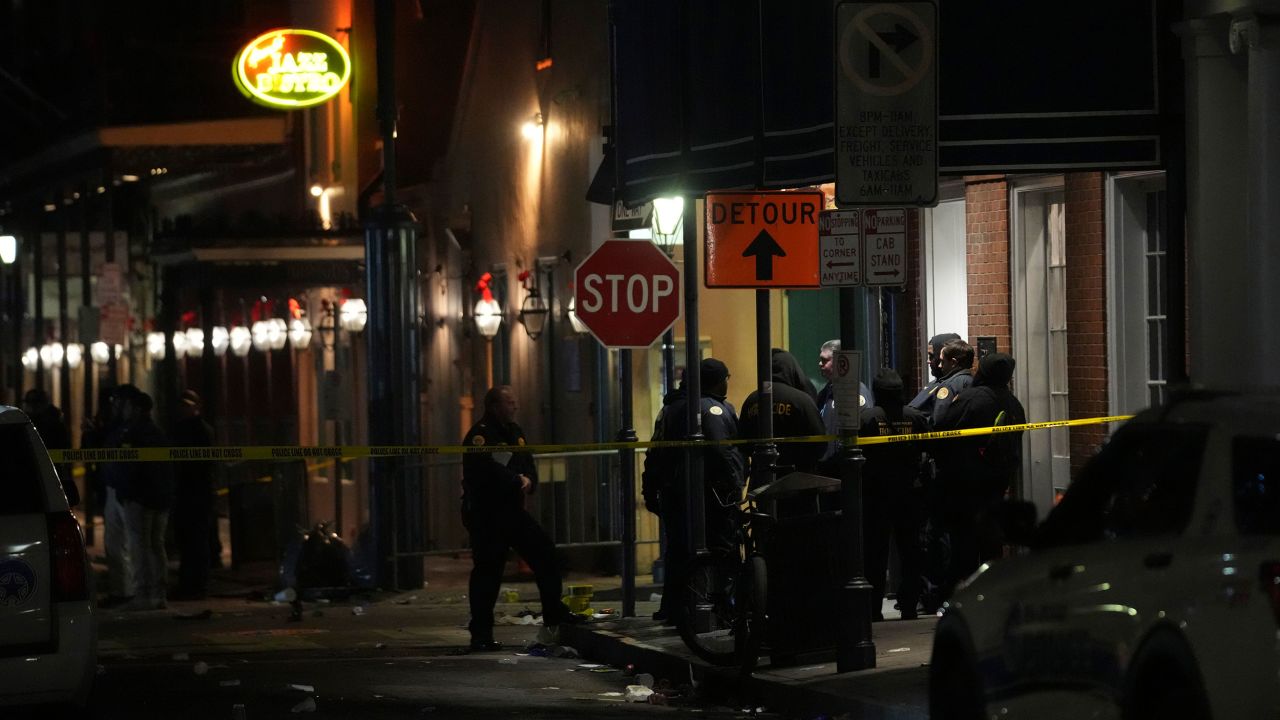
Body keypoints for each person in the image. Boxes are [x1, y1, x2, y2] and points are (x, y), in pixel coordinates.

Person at [461, 385, 578, 651]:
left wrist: (529, 480)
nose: (515, 407)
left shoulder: (515, 432)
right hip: (486, 514)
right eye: (510, 402)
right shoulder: (480, 435)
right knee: (488, 572)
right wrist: (516, 480)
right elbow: (484, 470)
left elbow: (527, 464)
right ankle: (481, 634)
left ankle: (554, 614)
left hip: (512, 512)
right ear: (494, 406)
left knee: (546, 554)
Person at [641, 358, 745, 625]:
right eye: (725, 378)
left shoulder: (670, 409)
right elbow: (723, 452)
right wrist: (736, 484)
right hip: (709, 494)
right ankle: (721, 609)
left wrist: (649, 488)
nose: (727, 384)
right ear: (715, 381)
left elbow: (654, 453)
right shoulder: (710, 409)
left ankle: (675, 608)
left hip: (674, 493)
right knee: (721, 550)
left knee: (678, 551)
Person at [933, 352, 1027, 602]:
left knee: (963, 545)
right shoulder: (1014, 404)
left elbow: (942, 432)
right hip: (997, 485)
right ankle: (993, 594)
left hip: (964, 486)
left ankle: (958, 597)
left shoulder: (971, 399)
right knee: (990, 542)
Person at [858, 368, 930, 621]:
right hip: (908, 494)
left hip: (875, 495)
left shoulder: (867, 419)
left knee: (875, 554)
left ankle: (873, 608)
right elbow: (930, 448)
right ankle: (909, 604)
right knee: (911, 551)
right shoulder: (914, 417)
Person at [114, 389, 173, 611]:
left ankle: (143, 594)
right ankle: (159, 594)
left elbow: (131, 469)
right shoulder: (157, 432)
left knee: (140, 546)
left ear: (137, 409)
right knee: (157, 546)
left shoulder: (133, 433)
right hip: (160, 498)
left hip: (140, 498)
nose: (124, 411)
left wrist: (126, 492)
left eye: (128, 406)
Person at [739, 349, 827, 476]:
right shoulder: (801, 400)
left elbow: (743, 443)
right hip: (797, 477)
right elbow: (820, 442)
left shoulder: (752, 400)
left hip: (761, 477)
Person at [95, 384, 138, 607]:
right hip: (113, 486)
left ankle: (133, 591)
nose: (116, 406)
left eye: (120, 402)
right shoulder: (114, 426)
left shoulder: (135, 428)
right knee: (114, 542)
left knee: (132, 543)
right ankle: (121, 590)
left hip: (127, 490)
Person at [171, 389, 216, 600]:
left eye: (188, 405)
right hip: (186, 492)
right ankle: (190, 583)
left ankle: (196, 585)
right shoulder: (182, 429)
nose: (184, 409)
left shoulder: (200, 430)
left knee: (196, 541)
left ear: (196, 407)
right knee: (188, 541)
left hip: (197, 493)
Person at [815, 339, 874, 471]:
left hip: (844, 469)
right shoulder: (824, 393)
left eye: (825, 360)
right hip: (826, 468)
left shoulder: (856, 391)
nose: (820, 364)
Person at [22, 388, 78, 507]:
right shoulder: (52, 421)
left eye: (31, 404)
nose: (28, 407)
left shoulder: (48, 424)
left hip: (46, 478)